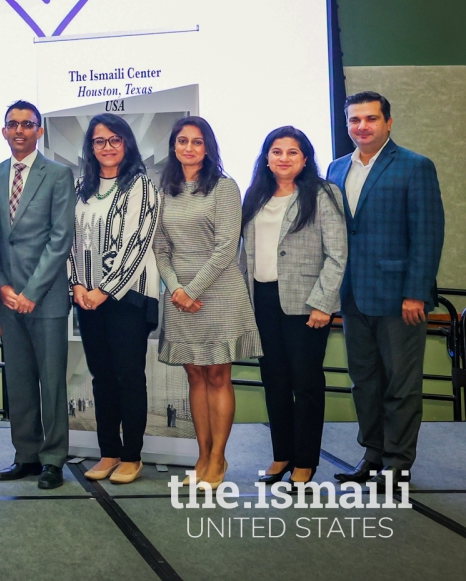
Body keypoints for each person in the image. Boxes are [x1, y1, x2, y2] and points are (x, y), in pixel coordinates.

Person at [326, 92, 444, 484]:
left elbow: (427, 235)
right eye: (354, 120)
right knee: (365, 382)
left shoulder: (415, 166)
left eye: (371, 119)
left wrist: (416, 292)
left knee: (401, 385)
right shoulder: (336, 168)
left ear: (388, 123)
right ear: (347, 125)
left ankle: (397, 464)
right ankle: (372, 456)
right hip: (353, 296)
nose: (362, 126)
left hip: (399, 299)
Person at [154, 117, 260, 486]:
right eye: (182, 141)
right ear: (173, 146)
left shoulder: (224, 187)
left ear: (208, 147)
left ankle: (218, 460)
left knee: (217, 375)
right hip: (179, 294)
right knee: (194, 376)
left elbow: (226, 248)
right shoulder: (164, 189)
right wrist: (175, 288)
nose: (188, 148)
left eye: (197, 142)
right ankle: (201, 460)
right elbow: (160, 248)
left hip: (218, 292)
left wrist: (191, 291)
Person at [241, 126, 347, 485]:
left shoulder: (323, 194)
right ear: (266, 158)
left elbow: (337, 255)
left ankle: (306, 461)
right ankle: (282, 455)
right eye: (276, 151)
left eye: (292, 152)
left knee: (306, 384)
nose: (283, 158)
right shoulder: (256, 196)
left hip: (306, 304)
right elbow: (246, 253)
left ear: (305, 160)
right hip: (263, 299)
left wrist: (323, 303)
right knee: (274, 381)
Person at [0, 101, 74, 491]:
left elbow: (60, 238)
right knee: (18, 382)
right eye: (12, 125)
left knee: (51, 382)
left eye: (27, 124)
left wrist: (31, 292)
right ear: (3, 132)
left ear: (39, 131)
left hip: (46, 297)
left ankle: (53, 459)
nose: (19, 131)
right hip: (6, 298)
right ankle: (27, 456)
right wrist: (4, 288)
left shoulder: (57, 174)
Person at [68, 114, 162, 486]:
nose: (106, 147)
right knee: (101, 377)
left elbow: (135, 245)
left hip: (127, 298)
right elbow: (70, 242)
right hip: (86, 298)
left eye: (114, 140)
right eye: (99, 141)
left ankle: (131, 455)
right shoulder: (81, 188)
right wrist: (77, 286)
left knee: (127, 377)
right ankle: (108, 451)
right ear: (90, 148)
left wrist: (103, 290)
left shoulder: (141, 186)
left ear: (127, 143)